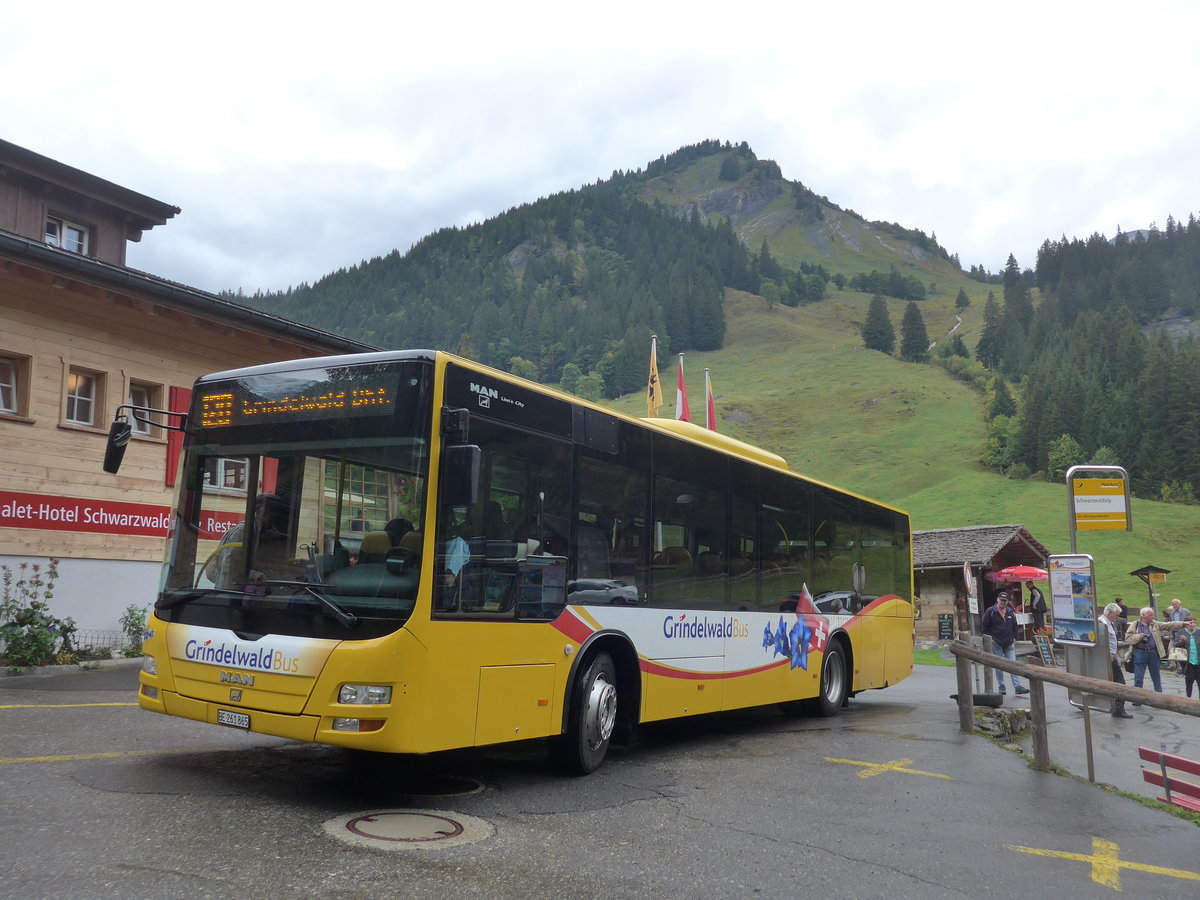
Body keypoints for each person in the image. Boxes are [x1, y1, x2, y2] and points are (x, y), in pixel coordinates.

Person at [1125, 606, 1186, 695]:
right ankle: (1137, 698)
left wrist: (1183, 623)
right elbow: (1128, 638)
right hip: (1139, 652)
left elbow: (1169, 625)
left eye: (1153, 615)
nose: (1153, 617)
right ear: (1143, 615)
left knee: (1156, 676)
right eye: (1151, 615)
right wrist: (1139, 636)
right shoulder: (1135, 624)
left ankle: (1159, 696)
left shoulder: (1155, 624)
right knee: (1138, 677)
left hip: (1153, 653)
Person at [980, 591, 1028, 695]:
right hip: (996, 642)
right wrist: (990, 638)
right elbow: (984, 627)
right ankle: (1001, 686)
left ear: (1007, 602)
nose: (1002, 602)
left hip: (1009, 642)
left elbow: (1015, 626)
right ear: (997, 600)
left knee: (1013, 664)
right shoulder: (991, 611)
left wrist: (1015, 637)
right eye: (1001, 600)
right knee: (999, 665)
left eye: (1005, 601)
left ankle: (1017, 686)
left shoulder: (1010, 612)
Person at [1099, 602, 1133, 718]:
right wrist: (1108, 654)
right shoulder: (1102, 623)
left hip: (1111, 656)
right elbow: (1101, 640)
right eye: (1116, 615)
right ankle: (1118, 709)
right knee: (1120, 683)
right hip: (1109, 657)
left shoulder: (1108, 623)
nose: (1117, 617)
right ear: (1109, 613)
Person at [1164, 598, 1192, 673]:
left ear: (1179, 604)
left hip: (1184, 633)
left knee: (1184, 650)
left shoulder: (1186, 612)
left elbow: (1191, 621)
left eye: (1175, 604)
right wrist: (1171, 634)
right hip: (1175, 634)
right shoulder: (1172, 613)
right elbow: (1171, 624)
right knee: (1173, 650)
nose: (1174, 606)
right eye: (1173, 604)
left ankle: (1185, 667)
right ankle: (1177, 667)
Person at [1177, 616, 1200, 699]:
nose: (1192, 625)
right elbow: (1176, 646)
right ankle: (1188, 697)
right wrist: (1181, 641)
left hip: (1198, 661)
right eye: (1190, 623)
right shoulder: (1181, 632)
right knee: (1189, 680)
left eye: (1193, 622)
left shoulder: (1198, 632)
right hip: (1188, 662)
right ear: (1186, 624)